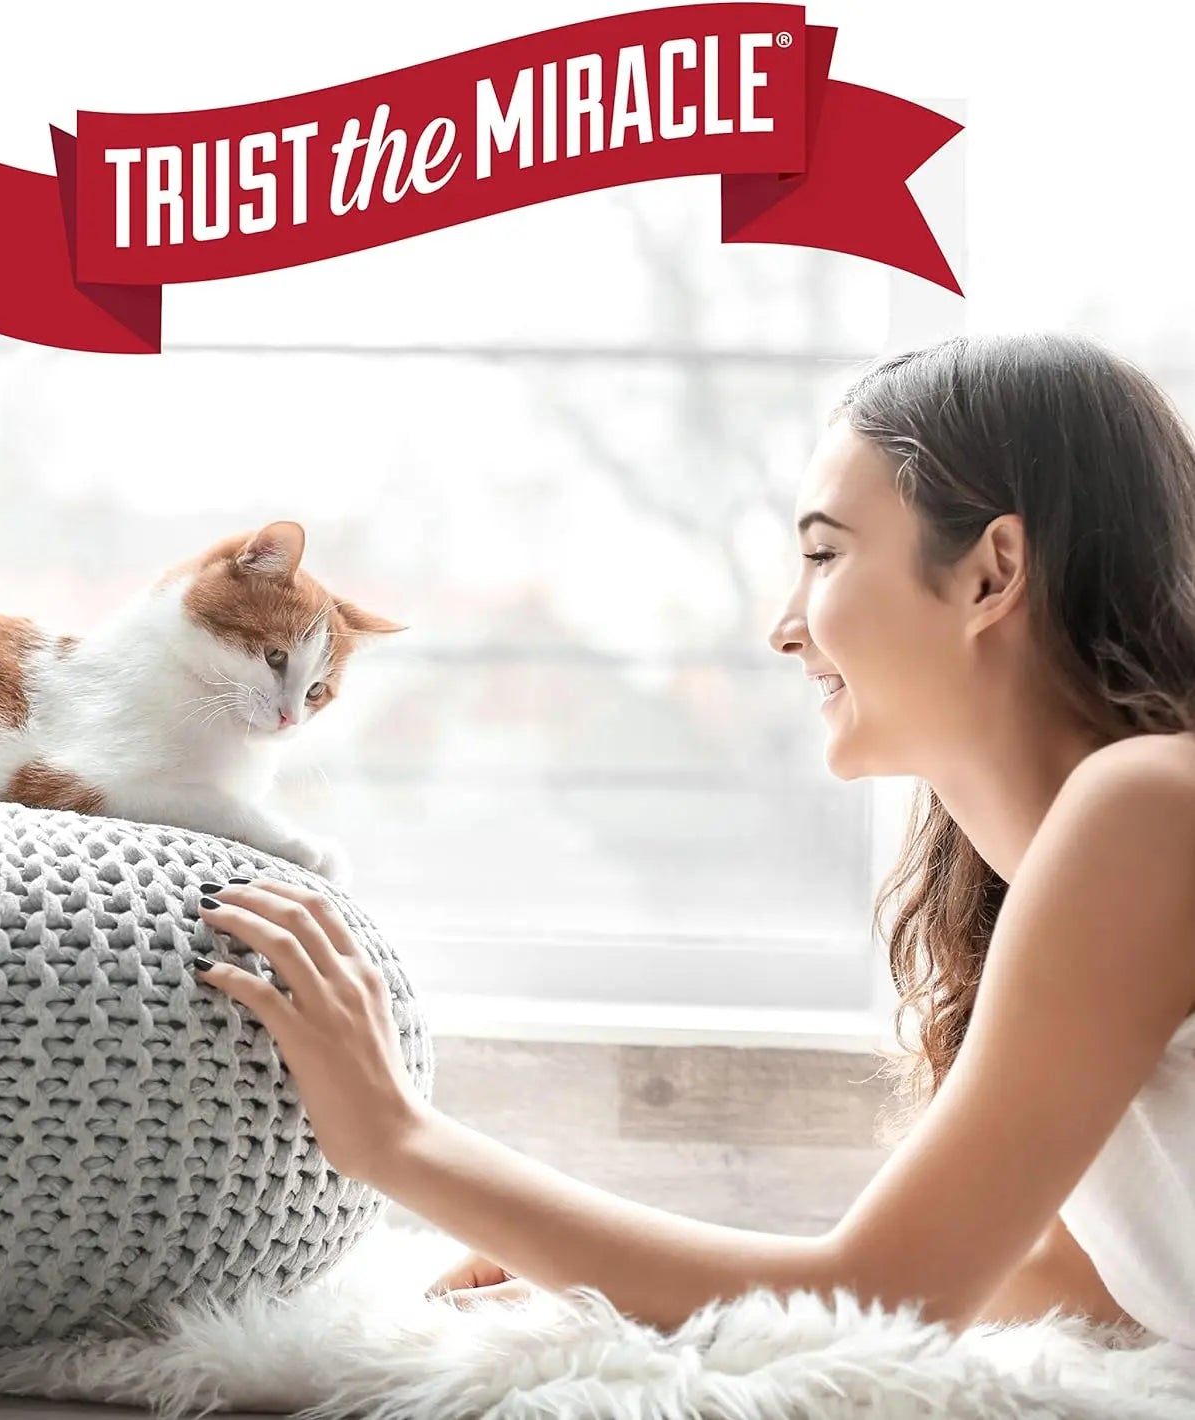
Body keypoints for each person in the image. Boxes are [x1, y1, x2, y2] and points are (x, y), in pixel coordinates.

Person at [190, 330, 1195, 1342]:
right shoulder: (1119, 841)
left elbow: (886, 1295)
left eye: (823, 553)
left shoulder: (1149, 805)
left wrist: (392, 1135)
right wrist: (623, 1287)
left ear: (992, 572)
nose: (786, 625)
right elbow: (1071, 1279)